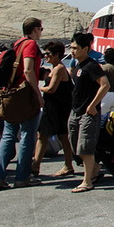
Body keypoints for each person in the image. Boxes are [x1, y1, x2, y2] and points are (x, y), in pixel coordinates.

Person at [0, 17, 45, 190]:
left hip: (10, 94)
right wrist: (38, 94)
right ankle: (22, 176)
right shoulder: (30, 45)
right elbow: (28, 70)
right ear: (35, 29)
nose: (41, 33)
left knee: (8, 135)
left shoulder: (17, 43)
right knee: (28, 136)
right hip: (24, 96)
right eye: (41, 29)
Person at [68, 31, 110, 193]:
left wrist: (92, 105)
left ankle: (87, 181)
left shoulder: (91, 66)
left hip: (87, 114)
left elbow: (105, 85)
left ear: (85, 49)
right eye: (71, 48)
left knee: (85, 147)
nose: (72, 51)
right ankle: (95, 168)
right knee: (75, 145)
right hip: (75, 110)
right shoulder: (78, 65)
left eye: (75, 48)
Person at [33, 40, 75, 178]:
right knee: (56, 136)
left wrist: (37, 88)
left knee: (47, 136)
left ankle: (36, 166)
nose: (46, 56)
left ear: (57, 54)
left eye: (48, 54)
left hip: (56, 108)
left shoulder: (59, 69)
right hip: (55, 107)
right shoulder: (56, 67)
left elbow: (51, 89)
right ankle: (66, 165)